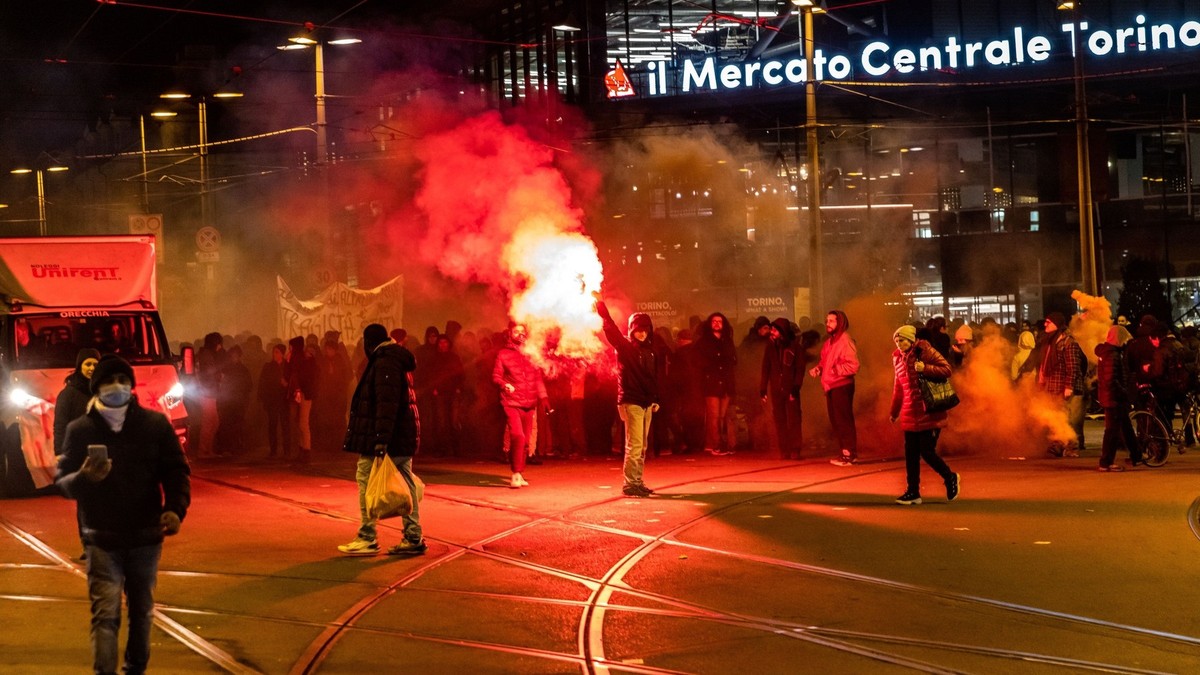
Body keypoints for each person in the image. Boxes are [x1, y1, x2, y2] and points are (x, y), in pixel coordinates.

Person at [55, 355, 191, 674]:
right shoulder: (81, 430)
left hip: (146, 537)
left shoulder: (155, 425)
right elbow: (62, 483)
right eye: (109, 381)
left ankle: (135, 668)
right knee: (106, 614)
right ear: (97, 388)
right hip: (102, 540)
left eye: (123, 381)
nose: (117, 387)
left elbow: (176, 471)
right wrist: (84, 478)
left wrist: (174, 509)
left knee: (142, 611)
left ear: (131, 387)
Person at [338, 324, 425, 556]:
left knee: (365, 476)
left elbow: (386, 405)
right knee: (405, 485)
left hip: (389, 438)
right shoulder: (393, 358)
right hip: (401, 436)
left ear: (369, 342)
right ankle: (413, 535)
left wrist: (380, 441)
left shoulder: (384, 361)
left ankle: (367, 536)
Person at [597, 298, 664, 497]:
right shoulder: (626, 348)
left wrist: (655, 399)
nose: (641, 333)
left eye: (645, 329)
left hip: (646, 402)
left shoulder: (652, 352)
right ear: (632, 330)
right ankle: (630, 483)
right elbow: (612, 332)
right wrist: (603, 311)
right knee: (634, 444)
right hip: (632, 401)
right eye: (638, 330)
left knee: (641, 445)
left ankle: (637, 480)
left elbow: (654, 378)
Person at [889, 325, 960, 505]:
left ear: (911, 339)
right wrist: (894, 411)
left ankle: (950, 477)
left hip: (929, 411)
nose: (899, 344)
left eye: (903, 340)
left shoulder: (925, 351)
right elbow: (898, 388)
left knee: (927, 452)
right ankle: (913, 491)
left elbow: (947, 369)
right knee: (911, 454)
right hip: (909, 411)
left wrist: (925, 368)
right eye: (897, 341)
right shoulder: (897, 359)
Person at [492, 323, 548, 488]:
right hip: (511, 402)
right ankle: (515, 473)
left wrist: (544, 397)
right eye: (516, 332)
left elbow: (538, 378)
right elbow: (495, 376)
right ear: (510, 334)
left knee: (525, 442)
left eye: (522, 332)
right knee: (518, 435)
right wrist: (504, 385)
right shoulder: (503, 354)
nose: (520, 334)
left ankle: (520, 472)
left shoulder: (531, 354)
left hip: (529, 403)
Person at [810, 310, 861, 466]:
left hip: (842, 386)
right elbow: (825, 361)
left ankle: (849, 454)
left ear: (840, 323)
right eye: (827, 321)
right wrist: (819, 369)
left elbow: (853, 365)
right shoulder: (830, 342)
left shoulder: (845, 341)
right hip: (831, 386)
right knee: (836, 421)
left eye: (831, 321)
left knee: (843, 421)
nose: (828, 324)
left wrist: (835, 371)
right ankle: (845, 452)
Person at [1038, 312, 1086, 457]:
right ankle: (1057, 445)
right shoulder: (1049, 341)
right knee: (1055, 417)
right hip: (1052, 385)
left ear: (1057, 325)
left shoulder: (1068, 342)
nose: (1045, 324)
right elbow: (1044, 363)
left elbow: (1073, 366)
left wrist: (1069, 387)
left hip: (1063, 386)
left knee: (1066, 418)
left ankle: (1071, 447)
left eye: (1048, 322)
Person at [1095, 325, 1141, 471]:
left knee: (1125, 427)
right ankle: (1106, 462)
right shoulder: (1112, 354)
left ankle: (1137, 455)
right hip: (1114, 398)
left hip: (1112, 397)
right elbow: (1111, 379)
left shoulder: (1109, 352)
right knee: (1112, 431)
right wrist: (1124, 392)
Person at [760, 318, 805, 459]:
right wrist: (763, 388)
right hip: (776, 389)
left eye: (774, 330)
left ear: (782, 331)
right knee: (780, 420)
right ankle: (784, 449)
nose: (771, 332)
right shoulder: (770, 346)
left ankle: (795, 449)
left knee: (794, 419)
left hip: (790, 388)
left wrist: (796, 387)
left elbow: (800, 369)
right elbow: (765, 367)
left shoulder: (795, 347)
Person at [694, 312, 737, 455]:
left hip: (725, 383)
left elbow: (733, 360)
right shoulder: (703, 342)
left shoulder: (728, 341)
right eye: (714, 321)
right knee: (714, 416)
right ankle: (716, 445)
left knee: (723, 415)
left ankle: (724, 443)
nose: (717, 324)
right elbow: (698, 363)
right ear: (709, 323)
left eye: (720, 321)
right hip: (711, 384)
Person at [53, 348, 101, 456]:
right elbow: (60, 425)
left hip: (100, 451)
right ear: (80, 367)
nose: (92, 368)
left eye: (95, 364)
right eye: (88, 364)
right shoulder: (68, 394)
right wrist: (59, 452)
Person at [285, 336, 317, 463]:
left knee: (303, 422)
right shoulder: (295, 359)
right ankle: (302, 450)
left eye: (291, 346)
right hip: (297, 393)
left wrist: (299, 389)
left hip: (304, 394)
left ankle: (306, 450)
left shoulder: (304, 360)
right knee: (299, 422)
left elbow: (302, 377)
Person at [258, 344, 290, 458]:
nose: (274, 354)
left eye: (277, 352)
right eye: (274, 352)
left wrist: (286, 385)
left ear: (282, 353)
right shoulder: (268, 366)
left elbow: (293, 381)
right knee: (272, 425)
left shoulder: (287, 366)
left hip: (284, 400)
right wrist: (263, 398)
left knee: (285, 425)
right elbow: (263, 383)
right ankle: (273, 450)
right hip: (272, 400)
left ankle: (287, 449)